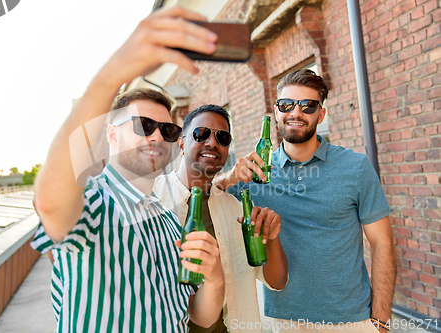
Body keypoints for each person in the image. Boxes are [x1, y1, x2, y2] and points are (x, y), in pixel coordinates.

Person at [32, 7, 227, 332]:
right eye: (143, 125)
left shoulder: (169, 222)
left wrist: (215, 277)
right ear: (111, 133)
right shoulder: (93, 203)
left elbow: (198, 315)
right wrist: (111, 75)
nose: (156, 136)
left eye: (167, 131)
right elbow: (50, 203)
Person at [215, 69, 397, 333]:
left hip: (351, 319)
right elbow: (204, 196)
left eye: (308, 105)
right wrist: (230, 176)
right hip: (282, 320)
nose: (295, 113)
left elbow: (382, 243)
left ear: (321, 114)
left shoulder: (355, 167)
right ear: (276, 112)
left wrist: (380, 321)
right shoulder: (255, 173)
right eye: (286, 104)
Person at [153, 104, 288, 333]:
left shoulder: (236, 209)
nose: (213, 143)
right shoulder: (151, 200)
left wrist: (272, 239)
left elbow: (276, 281)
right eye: (201, 133)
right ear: (182, 142)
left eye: (223, 137)